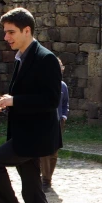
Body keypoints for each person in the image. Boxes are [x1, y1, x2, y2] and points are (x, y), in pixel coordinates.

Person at [0, 8, 63, 203]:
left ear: (27, 31)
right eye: (5, 32)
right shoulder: (22, 56)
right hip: (25, 133)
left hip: (33, 138)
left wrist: (14, 100)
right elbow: (27, 94)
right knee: (33, 192)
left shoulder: (45, 58)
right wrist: (7, 101)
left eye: (11, 32)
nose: (6, 37)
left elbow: (50, 100)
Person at [39, 57, 69, 191]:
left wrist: (64, 116)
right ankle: (45, 180)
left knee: (54, 153)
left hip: (58, 122)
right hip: (43, 122)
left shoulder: (63, 86)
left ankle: (47, 177)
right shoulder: (41, 85)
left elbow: (65, 103)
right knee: (44, 152)